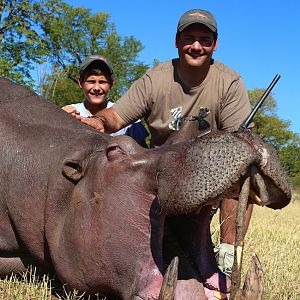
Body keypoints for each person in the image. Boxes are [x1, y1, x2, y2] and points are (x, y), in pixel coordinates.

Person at [77, 9, 253, 278]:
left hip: (209, 174)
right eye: (189, 38)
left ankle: (228, 256)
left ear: (215, 44)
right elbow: (117, 114)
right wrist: (99, 121)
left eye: (205, 39)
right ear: (176, 40)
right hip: (162, 173)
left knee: (244, 171)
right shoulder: (155, 78)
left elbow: (238, 141)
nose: (196, 46)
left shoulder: (229, 82)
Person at [62, 55, 149, 147]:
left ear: (111, 84)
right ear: (80, 83)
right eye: (91, 81)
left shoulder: (126, 115)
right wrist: (60, 118)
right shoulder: (70, 113)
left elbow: (142, 152)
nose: (96, 88)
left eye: (102, 82)